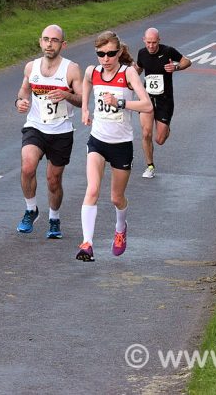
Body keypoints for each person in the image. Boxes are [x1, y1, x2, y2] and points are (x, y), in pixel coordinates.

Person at [77, 31, 152, 262]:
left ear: (119, 52)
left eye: (110, 53)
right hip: (98, 140)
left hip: (121, 144)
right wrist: (85, 109)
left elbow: (147, 105)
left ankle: (120, 229)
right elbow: (87, 82)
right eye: (101, 54)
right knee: (92, 190)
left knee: (116, 198)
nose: (106, 59)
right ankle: (87, 243)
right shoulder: (93, 71)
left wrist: (121, 102)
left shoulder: (127, 73)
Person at [15, 24, 82, 238]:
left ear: (63, 44)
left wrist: (66, 95)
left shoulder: (71, 69)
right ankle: (30, 209)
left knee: (53, 180)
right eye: (46, 39)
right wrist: (20, 102)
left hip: (61, 130)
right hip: (36, 126)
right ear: (40, 42)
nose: (49, 44)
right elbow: (24, 92)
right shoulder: (31, 67)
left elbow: (81, 100)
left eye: (54, 40)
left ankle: (54, 218)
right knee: (27, 167)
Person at [134, 27, 192, 178]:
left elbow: (187, 61)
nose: (151, 46)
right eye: (148, 42)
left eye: (154, 42)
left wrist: (176, 67)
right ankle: (150, 166)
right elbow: (139, 68)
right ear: (144, 40)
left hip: (165, 100)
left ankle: (165, 129)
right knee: (146, 133)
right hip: (147, 100)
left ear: (159, 40)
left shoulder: (168, 51)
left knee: (159, 139)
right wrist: (131, 75)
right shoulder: (142, 53)